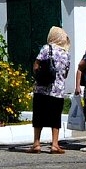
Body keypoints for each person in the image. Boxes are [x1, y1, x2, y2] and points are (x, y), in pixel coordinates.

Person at [29, 26, 71, 154]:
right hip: (58, 90)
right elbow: (66, 73)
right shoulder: (66, 54)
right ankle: (54, 145)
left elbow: (36, 66)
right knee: (55, 117)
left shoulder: (46, 48)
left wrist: (39, 76)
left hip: (41, 88)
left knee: (39, 116)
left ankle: (36, 144)